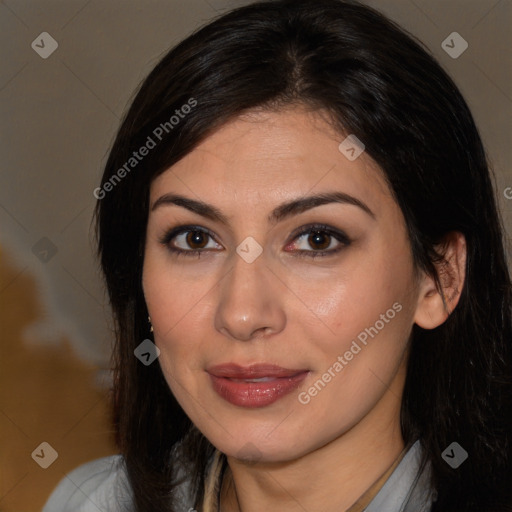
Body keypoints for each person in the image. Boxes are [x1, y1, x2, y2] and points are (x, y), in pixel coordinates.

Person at [42, 0, 512, 511]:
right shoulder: (91, 502)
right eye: (195, 239)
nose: (242, 314)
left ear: (439, 278)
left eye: (316, 240)